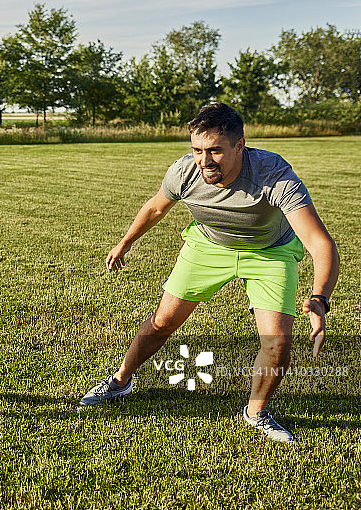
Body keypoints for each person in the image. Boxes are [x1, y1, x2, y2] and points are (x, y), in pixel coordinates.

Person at [79, 102, 339, 443]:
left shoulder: (273, 174)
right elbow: (156, 207)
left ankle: (256, 412)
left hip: (269, 252)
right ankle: (121, 380)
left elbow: (320, 244)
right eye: (197, 150)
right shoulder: (185, 172)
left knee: (277, 343)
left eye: (215, 150)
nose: (204, 160)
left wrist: (320, 298)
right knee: (162, 323)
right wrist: (126, 242)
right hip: (208, 245)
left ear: (239, 145)